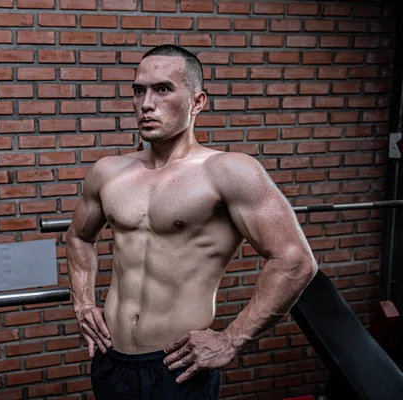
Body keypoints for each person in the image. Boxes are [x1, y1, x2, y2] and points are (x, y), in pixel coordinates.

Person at [66, 44, 317, 400]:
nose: (146, 104)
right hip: (111, 362)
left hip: (178, 369)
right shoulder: (108, 172)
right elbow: (78, 237)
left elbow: (295, 260)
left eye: (163, 89)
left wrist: (231, 339)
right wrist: (84, 305)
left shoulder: (228, 172)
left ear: (197, 102)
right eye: (139, 91)